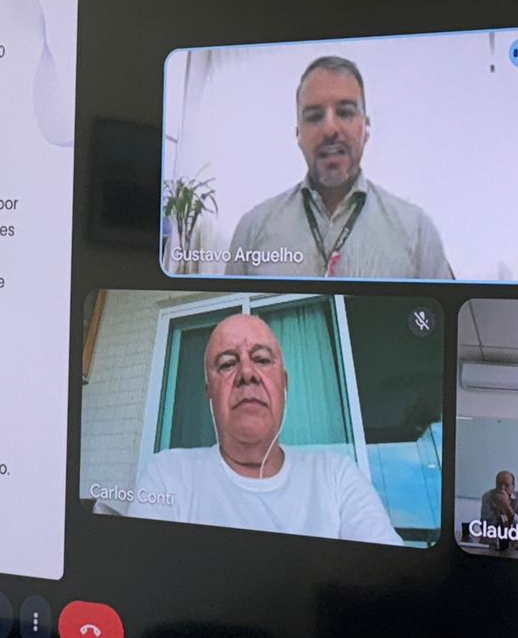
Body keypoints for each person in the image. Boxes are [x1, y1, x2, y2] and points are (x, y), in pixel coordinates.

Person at [127, 312, 401, 544]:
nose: (247, 373)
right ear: (209, 392)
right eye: (227, 363)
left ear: (284, 383)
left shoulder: (336, 475)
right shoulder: (169, 475)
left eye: (261, 359)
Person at [224, 55, 452, 279]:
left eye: (345, 113)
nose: (330, 129)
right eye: (314, 116)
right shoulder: (252, 230)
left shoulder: (417, 232)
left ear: (365, 128)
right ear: (298, 134)